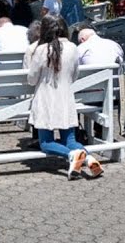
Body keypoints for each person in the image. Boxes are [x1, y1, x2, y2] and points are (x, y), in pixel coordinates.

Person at [26, 14, 104, 179]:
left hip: (45, 101)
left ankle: (72, 156)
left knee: (46, 143)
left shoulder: (41, 50)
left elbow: (32, 80)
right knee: (71, 140)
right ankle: (88, 158)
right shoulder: (73, 48)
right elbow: (74, 75)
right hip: (66, 99)